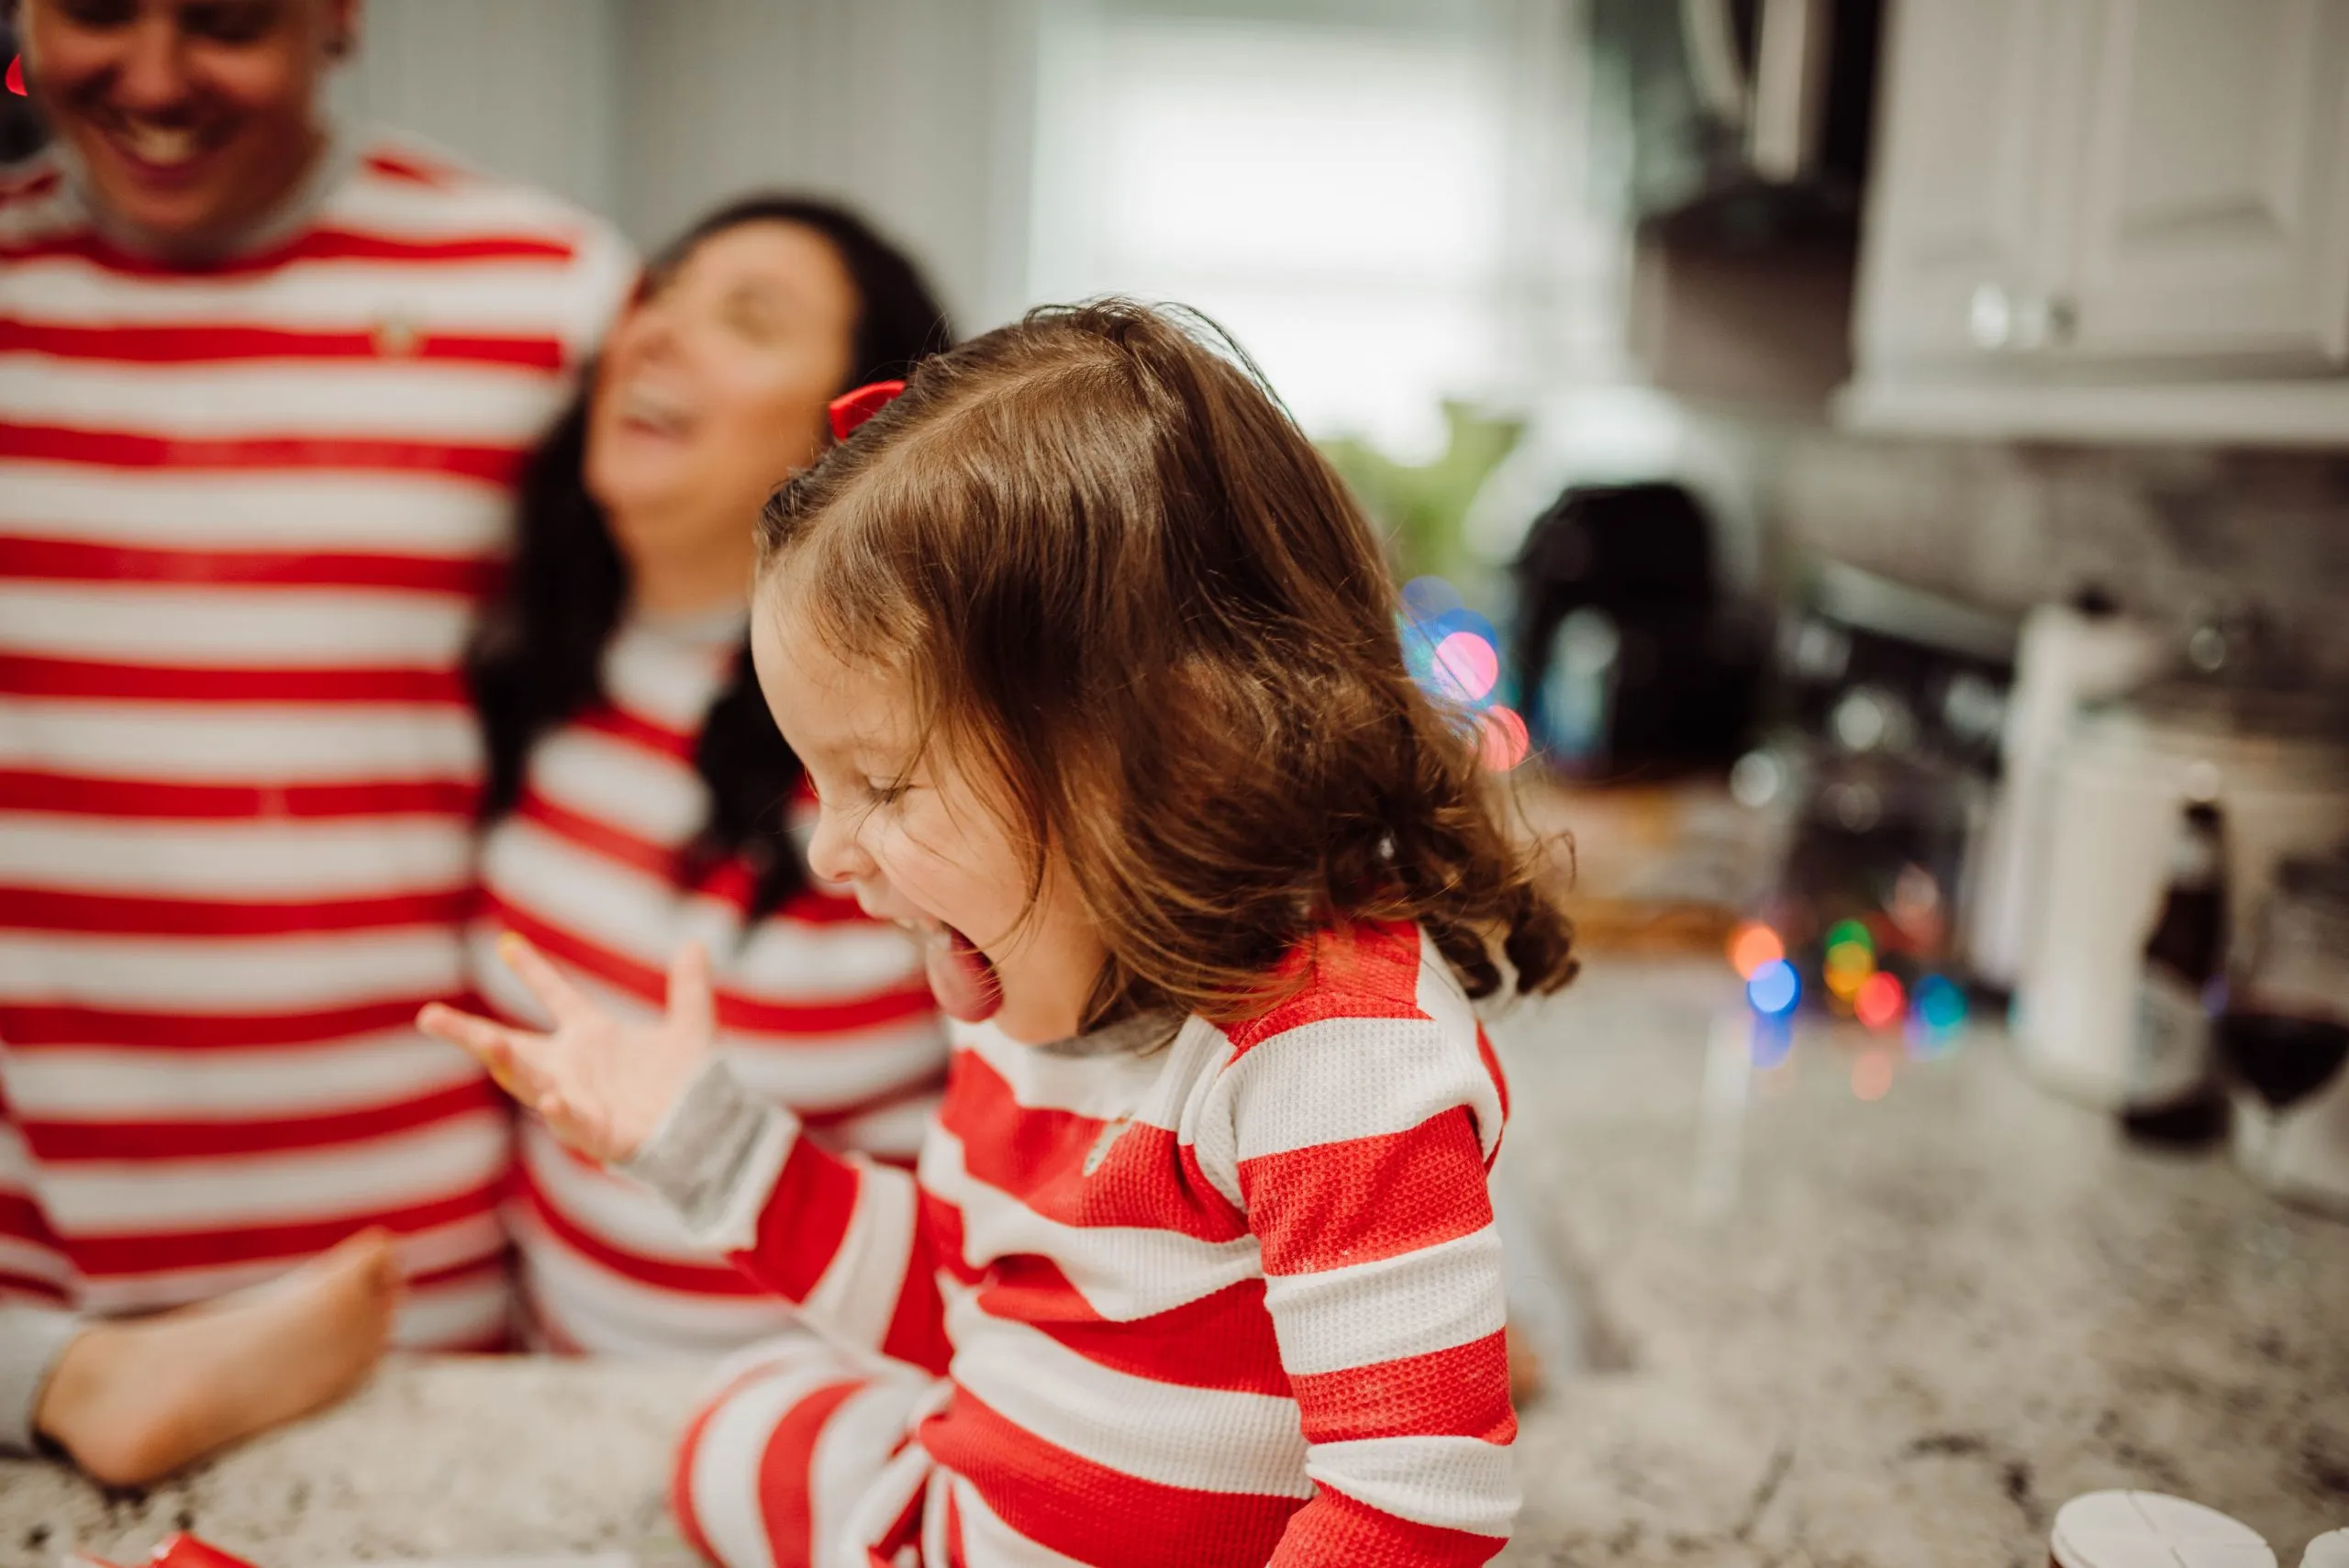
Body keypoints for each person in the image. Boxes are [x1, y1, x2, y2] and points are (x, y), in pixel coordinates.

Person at [421, 301, 1576, 1568]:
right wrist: (704, 1143)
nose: (828, 851)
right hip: (960, 1521)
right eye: (823, 784)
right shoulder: (1044, 990)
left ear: (1171, 751)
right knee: (743, 1429)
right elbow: (972, 1309)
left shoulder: (1338, 1053)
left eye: (885, 783)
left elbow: (1413, 1510)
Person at [0, 0, 632, 1483]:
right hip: (33, 1278)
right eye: (95, 10)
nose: (153, 81)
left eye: (225, 22)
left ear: (341, 15)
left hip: (406, 1265)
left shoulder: (550, 291)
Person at [466, 195, 952, 1357]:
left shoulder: (924, 751)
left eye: (746, 317)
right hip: (560, 1428)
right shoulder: (542, 671)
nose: (654, 333)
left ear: (852, 435)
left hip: (831, 1453)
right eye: (658, 294)